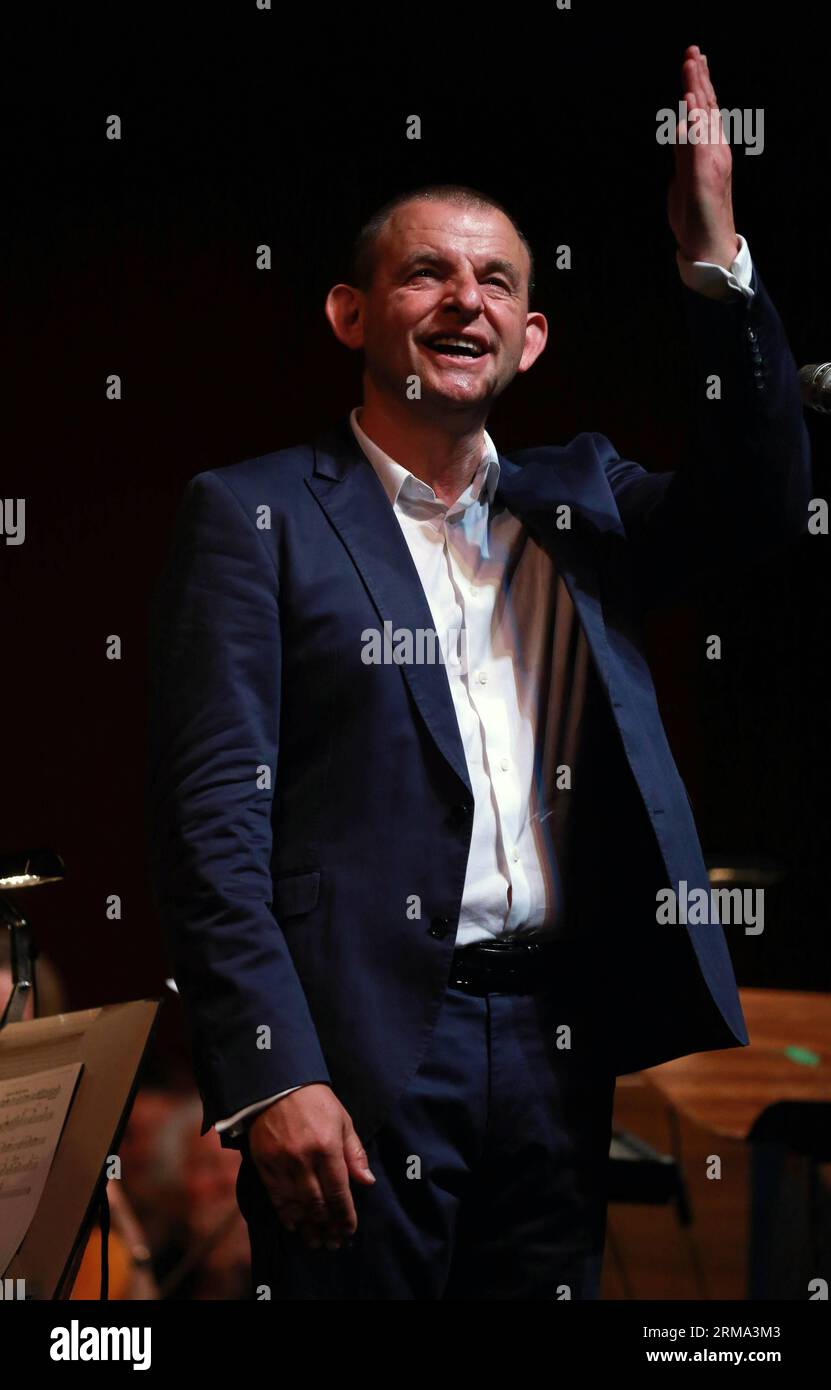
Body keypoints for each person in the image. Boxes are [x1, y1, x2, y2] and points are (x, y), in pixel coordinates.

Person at [146, 46, 811, 1299]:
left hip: (559, 1045)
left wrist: (715, 257)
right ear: (352, 313)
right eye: (428, 273)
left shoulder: (583, 501)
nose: (467, 300)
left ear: (533, 335)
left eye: (497, 281)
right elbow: (209, 831)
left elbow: (761, 505)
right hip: (360, 1051)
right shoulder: (253, 515)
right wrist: (275, 1073)